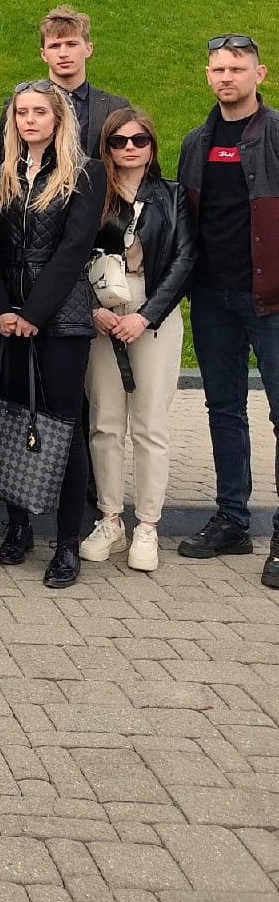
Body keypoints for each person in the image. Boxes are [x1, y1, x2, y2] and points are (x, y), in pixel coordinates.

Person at [0, 80, 105, 587]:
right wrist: (1, 310)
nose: (28, 120)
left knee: (62, 425)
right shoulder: (0, 174)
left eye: (39, 112)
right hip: (7, 317)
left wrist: (33, 311)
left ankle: (68, 543)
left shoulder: (84, 173)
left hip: (62, 317)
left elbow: (74, 251)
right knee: (12, 417)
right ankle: (17, 525)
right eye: (21, 113)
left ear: (58, 119)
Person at [176, 35, 279, 587]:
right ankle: (233, 520)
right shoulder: (197, 141)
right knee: (224, 409)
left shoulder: (277, 133)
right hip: (213, 299)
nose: (225, 77)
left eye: (236, 69)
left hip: (271, 299)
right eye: (217, 68)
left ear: (259, 74)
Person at [80, 109, 195, 572]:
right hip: (102, 311)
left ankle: (147, 524)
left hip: (153, 312)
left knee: (149, 426)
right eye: (119, 140)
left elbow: (186, 258)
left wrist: (146, 317)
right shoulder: (91, 195)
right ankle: (110, 518)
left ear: (151, 146)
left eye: (140, 139)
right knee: (105, 422)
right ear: (106, 147)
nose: (130, 147)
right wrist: (93, 310)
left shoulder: (172, 196)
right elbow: (70, 253)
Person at [0, 7, 129, 158]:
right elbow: (3, 161)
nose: (63, 53)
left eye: (71, 44)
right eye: (55, 46)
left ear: (88, 49)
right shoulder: (17, 106)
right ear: (43, 54)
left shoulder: (116, 107)